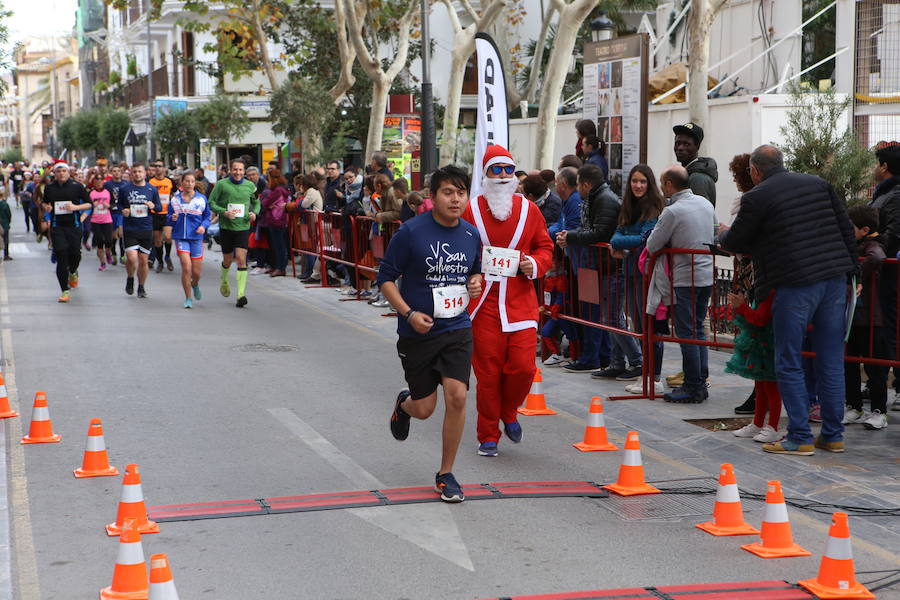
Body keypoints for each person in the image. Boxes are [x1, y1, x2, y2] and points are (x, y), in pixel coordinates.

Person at [719, 145, 857, 455]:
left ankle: (799, 437)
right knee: (831, 359)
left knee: (789, 360)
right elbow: (846, 230)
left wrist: (721, 236)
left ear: (755, 171)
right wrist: (852, 273)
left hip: (794, 283)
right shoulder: (818, 184)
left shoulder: (757, 196)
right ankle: (833, 435)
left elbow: (737, 239)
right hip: (834, 279)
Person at [379, 165, 482, 503]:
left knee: (458, 396)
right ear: (432, 196)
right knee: (425, 409)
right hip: (417, 331)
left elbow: (474, 276)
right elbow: (386, 279)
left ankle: (446, 473)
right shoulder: (411, 232)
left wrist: (476, 283)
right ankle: (404, 405)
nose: (455, 199)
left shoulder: (470, 235)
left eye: (461, 192)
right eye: (448, 192)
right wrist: (408, 313)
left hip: (457, 327)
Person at [461, 145, 554, 457]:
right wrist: (468, 275)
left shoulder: (530, 211)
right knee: (487, 375)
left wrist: (535, 264)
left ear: (515, 174)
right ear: (485, 174)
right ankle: (488, 435)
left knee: (523, 369)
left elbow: (545, 247)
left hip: (519, 302)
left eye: (507, 170)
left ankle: (509, 412)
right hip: (483, 305)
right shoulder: (471, 210)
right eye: (495, 170)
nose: (502, 176)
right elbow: (459, 252)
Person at [647, 165, 717, 403]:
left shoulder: (672, 211)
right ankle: (700, 380)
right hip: (707, 274)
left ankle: (693, 385)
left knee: (687, 332)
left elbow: (652, 245)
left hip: (686, 278)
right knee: (697, 329)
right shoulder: (706, 204)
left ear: (669, 184)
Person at [556, 164, 618, 374]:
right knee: (591, 312)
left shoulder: (604, 199)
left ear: (586, 184)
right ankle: (597, 356)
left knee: (595, 313)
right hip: (591, 263)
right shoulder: (595, 198)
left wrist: (570, 237)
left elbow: (598, 233)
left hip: (598, 264)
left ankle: (595, 357)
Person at [611, 165, 665, 392]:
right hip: (631, 271)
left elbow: (644, 239)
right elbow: (617, 233)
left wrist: (621, 241)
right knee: (639, 324)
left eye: (642, 181)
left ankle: (655, 378)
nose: (638, 185)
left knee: (651, 326)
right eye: (634, 181)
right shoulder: (628, 206)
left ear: (649, 183)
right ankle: (646, 374)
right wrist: (622, 240)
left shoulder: (654, 207)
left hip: (649, 274)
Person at [843, 205, 888, 430]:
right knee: (849, 364)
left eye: (851, 227)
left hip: (871, 318)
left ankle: (879, 410)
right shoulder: (853, 245)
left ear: (865, 229)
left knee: (874, 366)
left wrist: (856, 274)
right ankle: (854, 405)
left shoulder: (873, 246)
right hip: (853, 316)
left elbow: (877, 257)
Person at [726, 287, 783, 443]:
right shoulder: (763, 290)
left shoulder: (770, 291)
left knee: (771, 386)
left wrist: (742, 307)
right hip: (762, 342)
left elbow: (760, 318)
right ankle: (758, 423)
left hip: (769, 342)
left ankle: (773, 427)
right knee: (760, 385)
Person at [869, 142, 900, 412]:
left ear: (885, 167)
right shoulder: (885, 193)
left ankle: (898, 385)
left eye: (876, 163)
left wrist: (870, 242)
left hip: (890, 273)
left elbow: (892, 233)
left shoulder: (894, 195)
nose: (873, 169)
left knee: (892, 328)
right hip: (883, 273)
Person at [209, 159, 259, 308]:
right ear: (231, 170)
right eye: (235, 169)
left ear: (244, 172)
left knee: (241, 259)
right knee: (228, 260)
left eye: (240, 170)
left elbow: (256, 202)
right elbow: (211, 202)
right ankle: (224, 279)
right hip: (226, 227)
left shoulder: (250, 186)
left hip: (243, 227)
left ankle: (241, 294)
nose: (238, 172)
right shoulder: (221, 184)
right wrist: (223, 212)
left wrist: (254, 213)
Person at [41, 161, 91, 302]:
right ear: (55, 173)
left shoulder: (77, 186)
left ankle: (73, 271)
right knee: (62, 255)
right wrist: (47, 208)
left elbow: (89, 204)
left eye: (64, 171)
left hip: (74, 226)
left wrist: (75, 208)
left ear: (68, 172)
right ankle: (64, 290)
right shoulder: (50, 188)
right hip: (58, 227)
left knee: (75, 254)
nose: (61, 173)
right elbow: (45, 203)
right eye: (58, 171)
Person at [119, 163, 162, 298]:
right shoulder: (125, 189)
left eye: (140, 171)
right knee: (131, 258)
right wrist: (123, 210)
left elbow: (159, 207)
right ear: (131, 174)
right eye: (135, 172)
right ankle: (130, 277)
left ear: (145, 173)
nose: (137, 174)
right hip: (130, 228)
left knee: (143, 260)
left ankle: (141, 286)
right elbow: (118, 204)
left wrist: (153, 205)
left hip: (146, 228)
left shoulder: (152, 189)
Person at [169, 172, 211, 308]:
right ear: (181, 183)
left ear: (195, 183)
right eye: (186, 181)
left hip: (196, 238)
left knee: (196, 273)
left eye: (192, 181)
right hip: (181, 236)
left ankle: (195, 284)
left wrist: (203, 227)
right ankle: (188, 298)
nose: (189, 184)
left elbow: (207, 217)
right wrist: (172, 218)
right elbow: (168, 216)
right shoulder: (175, 200)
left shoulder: (201, 199)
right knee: (186, 267)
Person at [672, 123, 718, 205]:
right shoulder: (688, 173)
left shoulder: (697, 178)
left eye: (686, 144)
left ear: (697, 146)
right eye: (677, 143)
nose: (680, 148)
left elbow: (698, 213)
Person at [260, 169, 291, 278]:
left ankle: (280, 268)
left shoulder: (277, 190)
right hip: (279, 220)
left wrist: (268, 204)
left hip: (276, 220)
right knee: (278, 245)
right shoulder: (282, 189)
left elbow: (265, 203)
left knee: (279, 246)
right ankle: (278, 267)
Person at [148, 160, 176, 272]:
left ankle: (167, 256)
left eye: (160, 166)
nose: (158, 168)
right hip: (155, 214)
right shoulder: (150, 182)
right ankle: (160, 262)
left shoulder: (169, 181)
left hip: (167, 213)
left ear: (164, 168)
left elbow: (175, 193)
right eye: (156, 166)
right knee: (157, 241)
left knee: (168, 237)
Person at [104, 164, 129, 266]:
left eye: (118, 171)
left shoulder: (126, 184)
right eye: (114, 171)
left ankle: (123, 255)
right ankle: (113, 252)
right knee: (113, 235)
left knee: (122, 233)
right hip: (111, 211)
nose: (116, 173)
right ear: (111, 173)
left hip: (121, 212)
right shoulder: (108, 184)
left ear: (121, 172)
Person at [88, 176, 114, 271]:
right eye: (96, 182)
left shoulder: (108, 192)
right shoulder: (91, 193)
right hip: (95, 221)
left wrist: (109, 206)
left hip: (107, 220)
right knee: (100, 242)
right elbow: (86, 206)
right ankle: (102, 263)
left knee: (108, 241)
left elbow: (114, 204)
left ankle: (108, 253)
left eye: (100, 181)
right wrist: (92, 205)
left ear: (103, 182)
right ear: (94, 183)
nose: (99, 183)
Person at [0, 188, 10, 260]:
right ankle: (6, 255)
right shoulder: (5, 204)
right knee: (5, 239)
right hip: (4, 223)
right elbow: (9, 215)